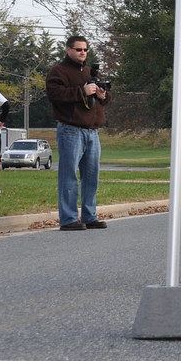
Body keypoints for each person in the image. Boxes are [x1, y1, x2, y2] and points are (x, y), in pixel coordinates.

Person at [46, 36, 111, 230]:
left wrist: (102, 94)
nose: (83, 53)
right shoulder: (58, 72)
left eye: (85, 50)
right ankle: (68, 219)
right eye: (78, 49)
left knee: (91, 176)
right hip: (70, 130)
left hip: (92, 132)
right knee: (69, 176)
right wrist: (82, 91)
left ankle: (89, 216)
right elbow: (54, 95)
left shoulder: (92, 72)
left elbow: (103, 99)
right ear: (68, 50)